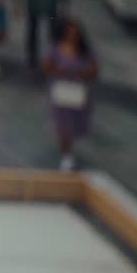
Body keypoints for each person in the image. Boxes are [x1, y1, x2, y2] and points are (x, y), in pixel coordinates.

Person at [43, 20, 98, 171]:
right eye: (70, 33)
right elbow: (47, 66)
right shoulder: (55, 48)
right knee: (63, 126)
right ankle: (66, 154)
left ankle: (68, 148)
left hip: (78, 92)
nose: (73, 36)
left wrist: (80, 74)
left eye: (75, 33)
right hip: (61, 93)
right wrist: (60, 72)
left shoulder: (87, 50)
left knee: (74, 125)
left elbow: (94, 70)